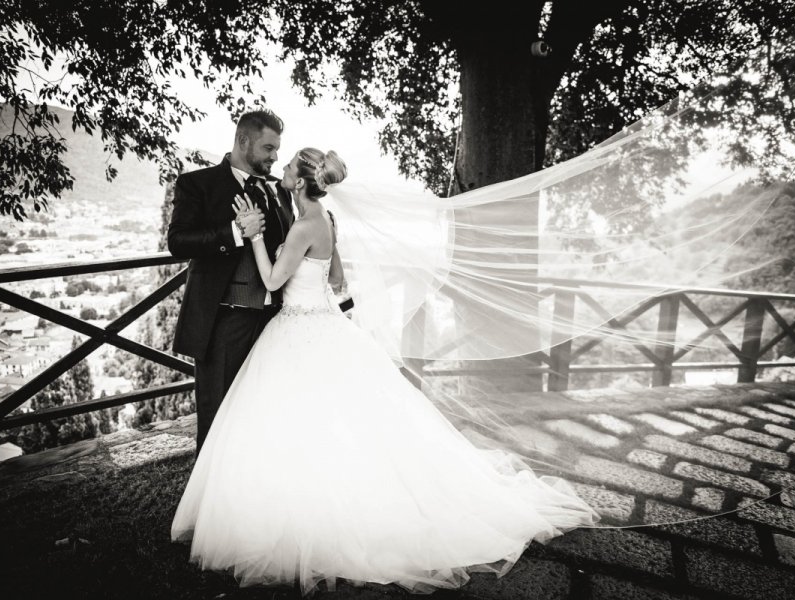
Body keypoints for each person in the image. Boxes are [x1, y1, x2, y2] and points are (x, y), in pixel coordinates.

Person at [170, 148, 598, 595]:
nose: (282, 167)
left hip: (298, 329)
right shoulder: (327, 221)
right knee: (340, 425)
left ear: (299, 181)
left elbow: (275, 281)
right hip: (324, 325)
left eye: (289, 163)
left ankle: (310, 516)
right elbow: (335, 279)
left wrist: (255, 237)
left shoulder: (302, 226)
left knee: (299, 425)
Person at [167, 109, 294, 454]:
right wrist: (236, 231)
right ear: (243, 141)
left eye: (277, 149)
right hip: (224, 323)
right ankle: (209, 500)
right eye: (268, 148)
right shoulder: (198, 184)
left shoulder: (277, 191)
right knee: (218, 417)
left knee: (263, 411)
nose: (275, 156)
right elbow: (178, 242)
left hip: (273, 324)